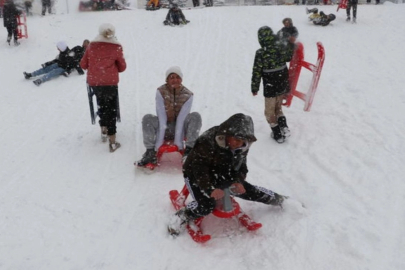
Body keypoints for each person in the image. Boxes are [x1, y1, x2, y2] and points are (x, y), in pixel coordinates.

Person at [167, 113, 285, 236]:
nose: (238, 144)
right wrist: (210, 189)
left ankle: (279, 199)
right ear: (227, 134)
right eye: (236, 139)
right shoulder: (208, 140)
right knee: (206, 206)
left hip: (223, 173)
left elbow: (241, 167)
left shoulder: (242, 146)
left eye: (242, 141)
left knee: (249, 190)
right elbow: (199, 169)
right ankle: (182, 215)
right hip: (195, 174)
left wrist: (238, 181)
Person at [136, 66, 202, 167]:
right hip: (165, 127)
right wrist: (158, 144)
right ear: (167, 80)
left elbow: (182, 118)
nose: (175, 80)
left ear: (181, 79)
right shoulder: (161, 91)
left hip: (181, 128)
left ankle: (189, 151)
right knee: (148, 118)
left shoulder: (188, 94)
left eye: (177, 77)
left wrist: (178, 141)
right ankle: (150, 152)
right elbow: (161, 115)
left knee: (195, 116)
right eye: (172, 77)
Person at [80, 23, 127, 153]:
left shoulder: (91, 46)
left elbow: (83, 64)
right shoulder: (116, 47)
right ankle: (112, 141)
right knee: (111, 108)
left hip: (95, 82)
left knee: (101, 104)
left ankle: (103, 128)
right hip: (110, 82)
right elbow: (122, 67)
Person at [251, 26, 295, 144]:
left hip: (270, 86)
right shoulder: (280, 47)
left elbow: (257, 71)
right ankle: (284, 127)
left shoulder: (260, 53)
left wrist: (255, 87)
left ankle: (277, 134)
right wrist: (289, 45)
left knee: (269, 112)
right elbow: (288, 57)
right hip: (282, 83)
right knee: (278, 108)